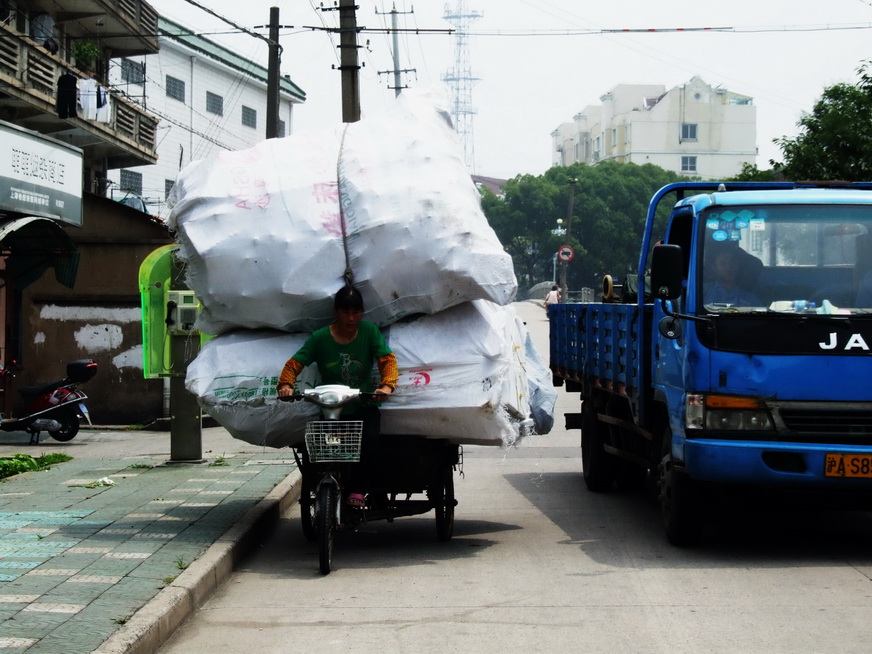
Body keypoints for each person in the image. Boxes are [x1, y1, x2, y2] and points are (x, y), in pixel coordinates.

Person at [277, 285, 398, 506]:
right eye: (345, 312)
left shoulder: (369, 331)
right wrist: (286, 384)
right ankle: (322, 484)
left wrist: (386, 387)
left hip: (362, 405)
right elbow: (295, 364)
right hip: (331, 408)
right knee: (325, 448)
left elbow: (386, 360)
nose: (351, 318)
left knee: (369, 441)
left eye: (356, 312)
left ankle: (360, 490)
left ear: (362, 313)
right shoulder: (320, 338)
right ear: (336, 312)